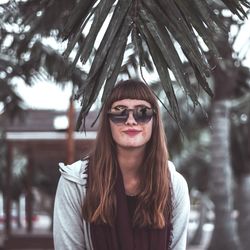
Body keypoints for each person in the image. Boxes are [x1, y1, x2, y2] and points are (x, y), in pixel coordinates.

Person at [53, 79, 190, 250]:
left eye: (142, 112)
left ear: (154, 120)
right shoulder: (74, 182)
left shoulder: (174, 185)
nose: (131, 120)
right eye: (120, 111)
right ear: (107, 121)